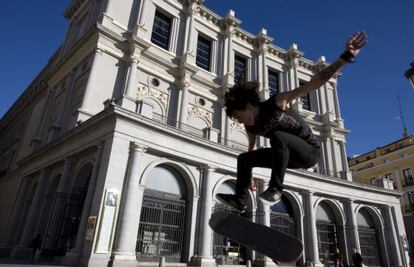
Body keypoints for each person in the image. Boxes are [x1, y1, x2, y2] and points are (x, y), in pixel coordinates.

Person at [216, 32, 368, 212]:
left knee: (278, 136)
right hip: (285, 156)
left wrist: (345, 57)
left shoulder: (277, 102)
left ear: (248, 105)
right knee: (244, 158)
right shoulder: (251, 125)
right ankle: (240, 201)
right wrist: (247, 176)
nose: (241, 122)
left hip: (309, 153)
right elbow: (251, 150)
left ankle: (275, 189)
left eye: (239, 116)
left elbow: (314, 83)